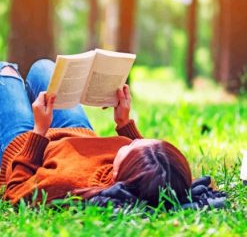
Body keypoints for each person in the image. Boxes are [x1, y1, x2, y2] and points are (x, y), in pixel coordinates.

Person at [0, 59, 192, 208]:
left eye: (131, 145)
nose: (131, 141)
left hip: (25, 144)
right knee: (45, 67)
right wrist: (124, 123)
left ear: (118, 173)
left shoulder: (67, 184)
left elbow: (15, 191)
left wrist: (39, 131)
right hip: (77, 132)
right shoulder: (150, 175)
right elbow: (154, 164)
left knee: (5, 72)